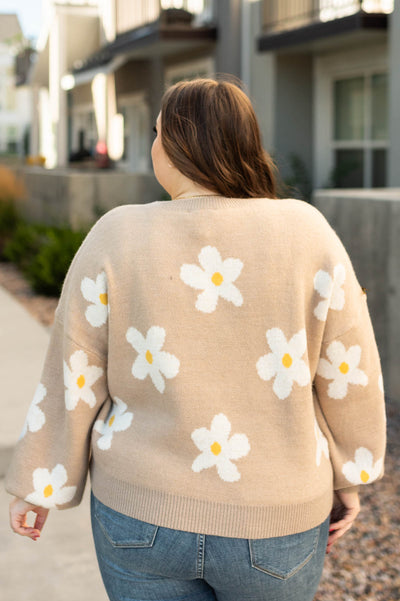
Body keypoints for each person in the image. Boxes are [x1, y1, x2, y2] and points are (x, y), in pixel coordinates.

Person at [7, 78, 386, 601]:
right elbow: (348, 368)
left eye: (160, 133)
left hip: (139, 515)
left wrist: (39, 486)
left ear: (181, 146)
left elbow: (74, 372)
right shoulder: (307, 232)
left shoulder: (117, 234)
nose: (156, 146)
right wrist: (349, 474)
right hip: (276, 518)